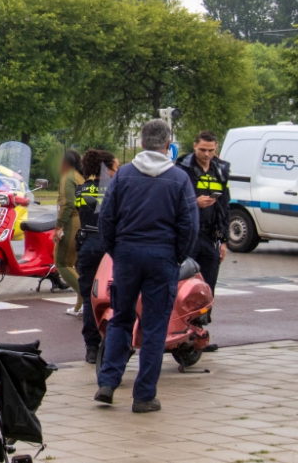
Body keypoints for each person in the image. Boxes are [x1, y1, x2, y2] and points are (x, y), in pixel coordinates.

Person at [96, 120, 198, 413]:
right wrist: (177, 256)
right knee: (154, 327)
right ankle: (143, 396)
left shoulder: (123, 175)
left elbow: (106, 219)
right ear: (168, 146)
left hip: (127, 255)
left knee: (121, 318)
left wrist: (117, 250)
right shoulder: (179, 180)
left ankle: (108, 382)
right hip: (162, 258)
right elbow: (189, 225)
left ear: (141, 143)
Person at [176, 131, 230, 353]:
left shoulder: (221, 170)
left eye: (211, 150)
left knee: (208, 286)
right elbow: (174, 199)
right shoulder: (182, 169)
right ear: (194, 146)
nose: (206, 155)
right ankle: (181, 332)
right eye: (202, 150)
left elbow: (225, 206)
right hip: (189, 234)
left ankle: (200, 336)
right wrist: (193, 202)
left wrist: (223, 240)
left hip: (210, 236)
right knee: (184, 287)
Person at [74, 149, 119, 364]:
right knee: (117, 296)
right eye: (116, 168)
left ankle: (91, 348)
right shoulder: (115, 189)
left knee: (90, 299)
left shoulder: (81, 190)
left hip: (88, 246)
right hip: (111, 248)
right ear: (107, 169)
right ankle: (114, 343)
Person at [54, 149, 84, 316]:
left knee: (62, 263)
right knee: (78, 266)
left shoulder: (68, 177)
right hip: (84, 222)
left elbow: (67, 204)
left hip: (72, 221)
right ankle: (79, 306)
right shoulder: (80, 176)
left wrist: (58, 227)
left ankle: (87, 298)